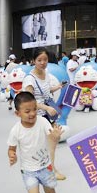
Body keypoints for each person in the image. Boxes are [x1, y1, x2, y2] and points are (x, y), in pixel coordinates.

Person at [7, 92, 66, 193]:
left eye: (34, 109)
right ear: (17, 113)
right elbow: (12, 148)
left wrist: (56, 135)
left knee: (50, 192)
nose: (32, 113)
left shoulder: (43, 122)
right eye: (27, 111)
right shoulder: (16, 131)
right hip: (28, 171)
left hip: (45, 167)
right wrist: (12, 155)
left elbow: (51, 136)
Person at [22, 48, 67, 181]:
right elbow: (30, 102)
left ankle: (49, 169)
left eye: (45, 60)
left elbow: (46, 91)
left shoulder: (45, 73)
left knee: (51, 141)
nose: (43, 63)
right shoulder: (29, 79)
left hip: (48, 114)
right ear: (33, 61)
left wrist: (58, 86)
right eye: (39, 60)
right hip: (38, 116)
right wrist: (46, 107)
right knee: (51, 140)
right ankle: (50, 170)